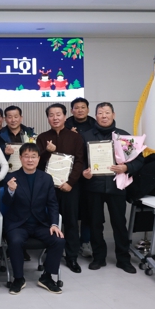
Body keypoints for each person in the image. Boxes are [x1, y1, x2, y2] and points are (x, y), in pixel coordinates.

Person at [81, 102, 143, 274]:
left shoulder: (123, 136)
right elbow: (80, 160)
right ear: (96, 116)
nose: (104, 116)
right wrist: (84, 172)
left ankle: (123, 259)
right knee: (95, 224)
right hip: (94, 186)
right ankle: (98, 258)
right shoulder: (86, 136)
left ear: (113, 115)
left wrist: (126, 167)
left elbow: (139, 160)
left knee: (119, 223)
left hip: (117, 186)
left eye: (107, 112)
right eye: (100, 113)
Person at [2, 143, 65, 295]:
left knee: (58, 239)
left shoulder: (46, 178)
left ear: (38, 159)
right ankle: (18, 278)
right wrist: (10, 190)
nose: (30, 160)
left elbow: (52, 204)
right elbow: (6, 203)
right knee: (15, 241)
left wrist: (54, 224)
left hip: (40, 223)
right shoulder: (11, 177)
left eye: (33, 156)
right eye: (26, 156)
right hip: (18, 224)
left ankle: (47, 277)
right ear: (20, 158)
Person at [35, 103, 85, 273]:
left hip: (70, 187)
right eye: (51, 115)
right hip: (48, 188)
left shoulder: (75, 137)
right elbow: (36, 163)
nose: (55, 118)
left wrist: (70, 182)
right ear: (47, 118)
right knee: (49, 221)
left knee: (71, 221)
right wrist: (47, 151)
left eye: (58, 114)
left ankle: (72, 257)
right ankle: (50, 253)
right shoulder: (42, 137)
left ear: (65, 117)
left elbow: (79, 162)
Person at [65, 97, 96, 258]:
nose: (80, 110)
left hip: (91, 175)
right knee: (71, 212)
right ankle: (72, 244)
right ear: (72, 110)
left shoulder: (95, 126)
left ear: (88, 109)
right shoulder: (65, 126)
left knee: (87, 211)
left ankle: (85, 242)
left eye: (83, 107)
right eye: (76, 108)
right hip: (71, 175)